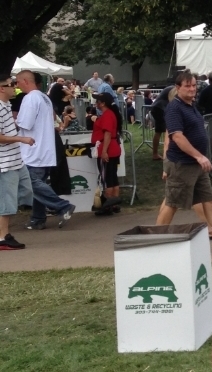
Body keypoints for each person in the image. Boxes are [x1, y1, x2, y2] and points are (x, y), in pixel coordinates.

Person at [155, 71, 212, 251]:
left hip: (197, 165)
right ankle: (156, 240)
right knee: (172, 203)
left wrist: (201, 157)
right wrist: (198, 156)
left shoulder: (191, 106)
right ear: (178, 88)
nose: (192, 89)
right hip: (182, 164)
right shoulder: (174, 108)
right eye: (187, 86)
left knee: (208, 200)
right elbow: (177, 137)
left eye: (194, 85)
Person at [14, 70, 76, 230]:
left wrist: (8, 121)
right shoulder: (44, 98)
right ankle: (38, 218)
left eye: (18, 81)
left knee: (32, 183)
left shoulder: (30, 98)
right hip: (44, 148)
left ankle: (62, 206)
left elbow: (24, 124)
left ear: (26, 81)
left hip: (34, 149)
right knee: (38, 183)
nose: (16, 85)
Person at [0, 72, 34, 250]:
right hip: (5, 163)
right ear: (1, 88)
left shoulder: (6, 105)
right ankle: (2, 237)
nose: (15, 86)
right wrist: (22, 139)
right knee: (7, 201)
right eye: (11, 84)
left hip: (16, 161)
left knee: (26, 191)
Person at [91, 92, 123, 212]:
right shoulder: (110, 114)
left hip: (108, 149)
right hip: (112, 148)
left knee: (107, 178)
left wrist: (104, 151)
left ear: (103, 103)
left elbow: (108, 133)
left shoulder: (107, 115)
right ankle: (114, 202)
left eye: (97, 101)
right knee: (112, 177)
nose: (96, 103)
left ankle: (108, 204)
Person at [148, 85, 174, 160]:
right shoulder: (174, 89)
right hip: (159, 109)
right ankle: (159, 154)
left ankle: (157, 153)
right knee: (165, 131)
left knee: (161, 131)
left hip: (158, 108)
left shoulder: (171, 88)